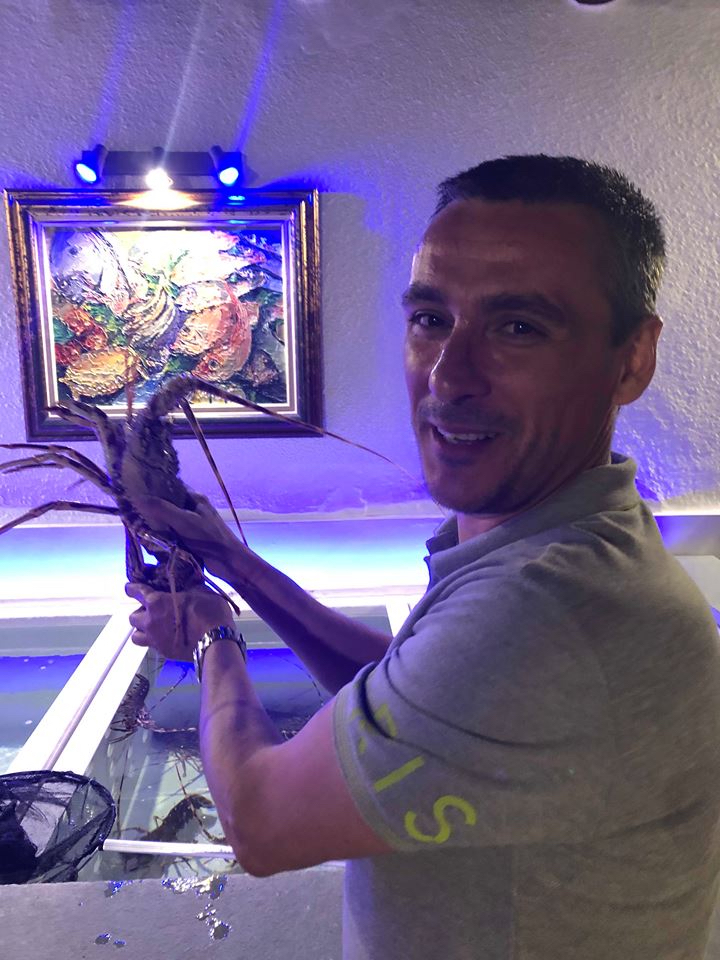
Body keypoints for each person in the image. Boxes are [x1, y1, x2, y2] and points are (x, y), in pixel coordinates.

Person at [127, 155, 720, 960]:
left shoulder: (546, 611)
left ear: (633, 359)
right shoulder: (563, 547)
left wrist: (209, 636)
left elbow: (260, 822)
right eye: (432, 319)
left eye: (519, 327)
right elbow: (408, 687)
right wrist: (231, 560)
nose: (449, 374)